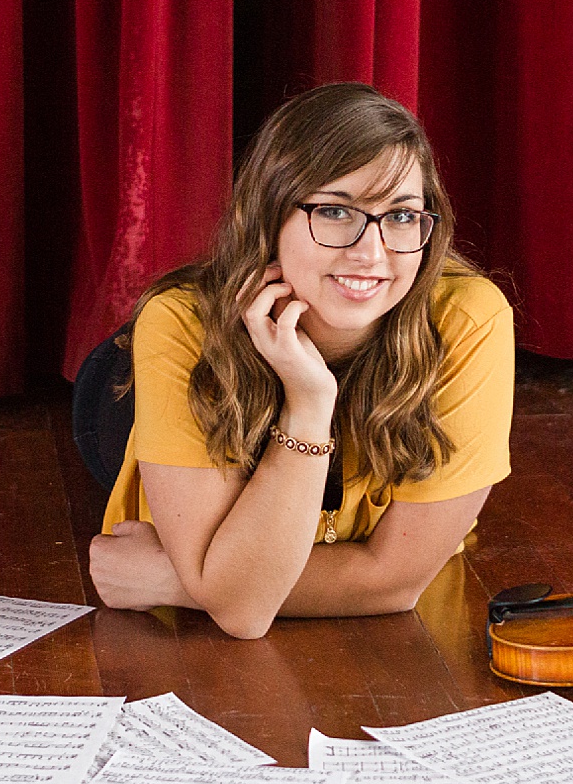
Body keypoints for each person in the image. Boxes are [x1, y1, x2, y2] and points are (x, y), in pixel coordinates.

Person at [88, 82, 515, 639]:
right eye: (336, 210)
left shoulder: (469, 317)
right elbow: (243, 613)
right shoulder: (180, 326)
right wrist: (311, 405)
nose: (372, 253)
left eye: (402, 216)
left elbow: (395, 583)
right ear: (268, 217)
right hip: (135, 386)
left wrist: (181, 582)